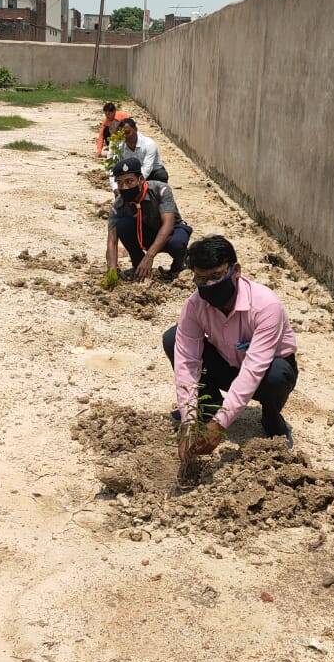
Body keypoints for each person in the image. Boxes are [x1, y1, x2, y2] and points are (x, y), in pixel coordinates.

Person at [163, 235, 298, 454]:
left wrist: (220, 425)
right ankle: (208, 409)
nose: (209, 285)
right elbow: (187, 363)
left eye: (216, 276)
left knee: (277, 374)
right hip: (227, 364)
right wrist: (188, 421)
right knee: (172, 338)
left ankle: (271, 419)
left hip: (265, 373)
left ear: (235, 271)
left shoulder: (266, 306)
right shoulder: (195, 305)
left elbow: (254, 369)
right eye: (200, 279)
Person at [106, 157, 192, 280]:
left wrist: (149, 256)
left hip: (171, 232)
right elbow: (112, 240)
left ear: (141, 180)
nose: (124, 187)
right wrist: (111, 270)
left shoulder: (160, 190)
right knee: (122, 225)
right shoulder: (119, 204)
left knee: (177, 244)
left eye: (129, 181)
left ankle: (178, 266)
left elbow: (168, 224)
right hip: (146, 234)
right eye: (120, 183)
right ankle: (139, 266)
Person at [113, 117, 169, 183]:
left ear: (136, 129)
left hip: (152, 172)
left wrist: (136, 182)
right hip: (133, 174)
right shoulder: (120, 148)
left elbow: (147, 168)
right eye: (122, 134)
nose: (125, 136)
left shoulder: (149, 144)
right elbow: (115, 168)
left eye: (127, 132)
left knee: (161, 175)